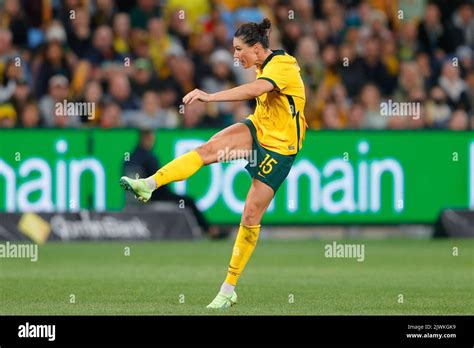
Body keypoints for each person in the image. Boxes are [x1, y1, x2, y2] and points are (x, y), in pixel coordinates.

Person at [119, 18, 307, 309]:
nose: (235, 55)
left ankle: (228, 288)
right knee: (207, 151)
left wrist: (210, 97)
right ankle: (149, 183)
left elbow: (254, 91)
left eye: (238, 49)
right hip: (258, 130)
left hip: (281, 149)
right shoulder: (261, 64)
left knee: (250, 216)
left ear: (257, 48)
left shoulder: (283, 64)